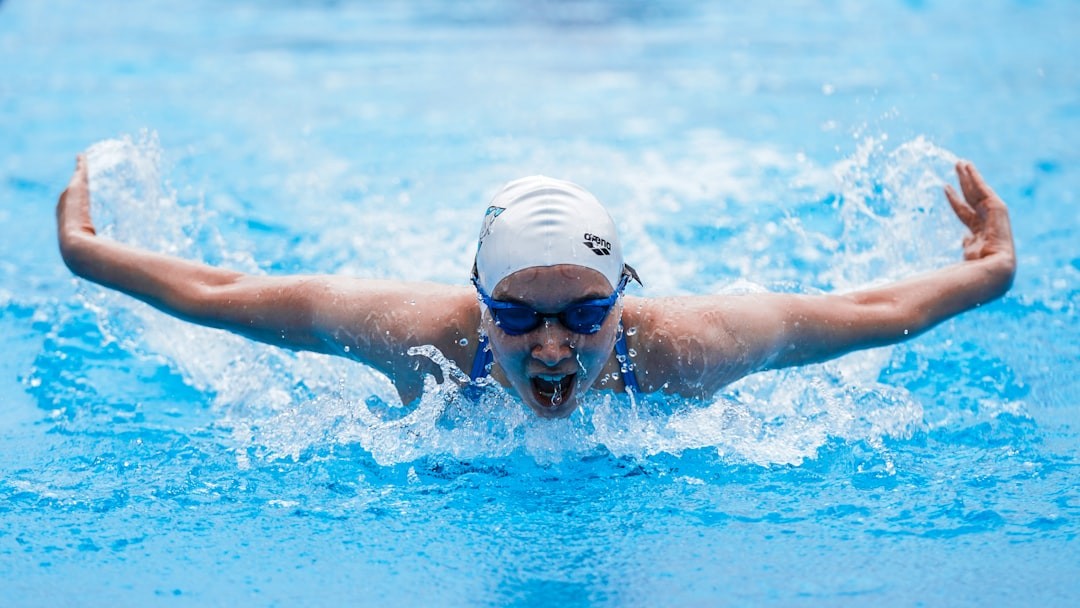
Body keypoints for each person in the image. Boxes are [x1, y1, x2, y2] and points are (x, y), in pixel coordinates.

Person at [56, 156, 1016, 419]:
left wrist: (989, 275)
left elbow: (869, 313)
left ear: (622, 297)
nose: (553, 347)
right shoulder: (419, 336)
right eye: (517, 316)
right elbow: (226, 291)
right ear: (478, 304)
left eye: (584, 314)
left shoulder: (685, 347)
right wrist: (88, 255)